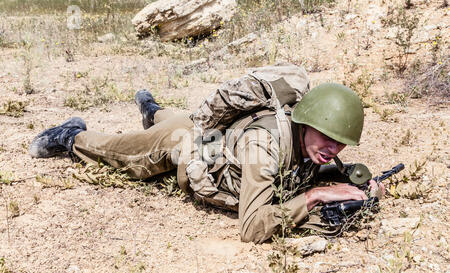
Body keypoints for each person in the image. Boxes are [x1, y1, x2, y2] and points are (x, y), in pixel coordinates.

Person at [29, 82, 385, 244]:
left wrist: (352, 185)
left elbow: (310, 168)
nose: (332, 149)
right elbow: (252, 228)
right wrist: (314, 197)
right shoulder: (264, 146)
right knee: (122, 155)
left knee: (176, 120)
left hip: (212, 136)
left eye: (340, 143)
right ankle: (71, 135)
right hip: (184, 147)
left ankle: (152, 111)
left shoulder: (306, 139)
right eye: (326, 137)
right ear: (305, 123)